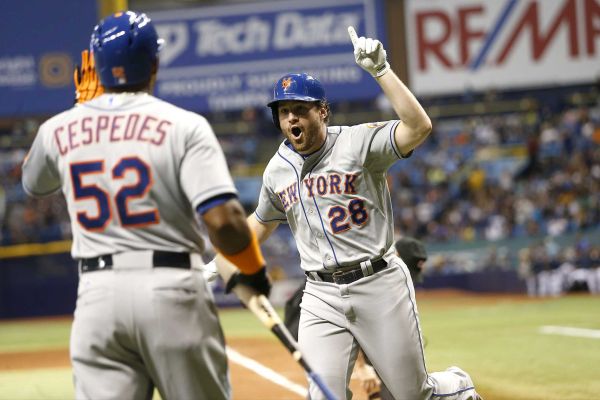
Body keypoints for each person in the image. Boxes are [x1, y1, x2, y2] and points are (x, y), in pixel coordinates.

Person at [22, 11, 270, 400]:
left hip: (97, 297)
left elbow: (33, 183)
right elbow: (223, 222)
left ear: (95, 64)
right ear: (154, 64)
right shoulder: (183, 125)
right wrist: (254, 272)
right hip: (171, 290)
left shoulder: (58, 128)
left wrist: (79, 111)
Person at [245, 26, 482, 399]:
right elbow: (260, 223)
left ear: (322, 111)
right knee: (323, 395)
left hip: (378, 283)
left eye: (301, 109)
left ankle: (457, 386)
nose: (292, 118)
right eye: (284, 111)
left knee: (412, 394)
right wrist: (218, 260)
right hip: (320, 294)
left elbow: (418, 127)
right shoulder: (277, 168)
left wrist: (381, 71)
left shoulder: (357, 143)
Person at [284, 236, 430, 399]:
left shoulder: (386, 278)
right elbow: (347, 315)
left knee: (392, 374)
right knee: (327, 379)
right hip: (307, 313)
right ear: (395, 256)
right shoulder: (365, 265)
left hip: (353, 314)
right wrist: (362, 368)